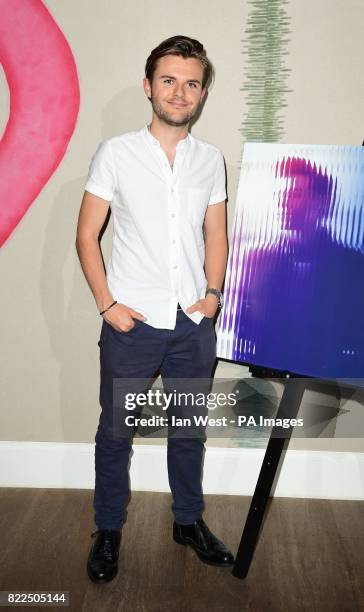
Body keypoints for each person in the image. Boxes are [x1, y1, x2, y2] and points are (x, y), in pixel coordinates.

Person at [76, 35, 233, 583]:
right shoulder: (115, 153)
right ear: (149, 87)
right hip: (133, 325)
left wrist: (212, 296)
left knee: (188, 430)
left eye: (191, 82)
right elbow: (86, 234)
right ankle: (109, 529)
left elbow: (217, 233)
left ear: (203, 92)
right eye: (169, 80)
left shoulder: (210, 160)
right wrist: (107, 304)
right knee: (117, 432)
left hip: (191, 326)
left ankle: (188, 522)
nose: (180, 91)